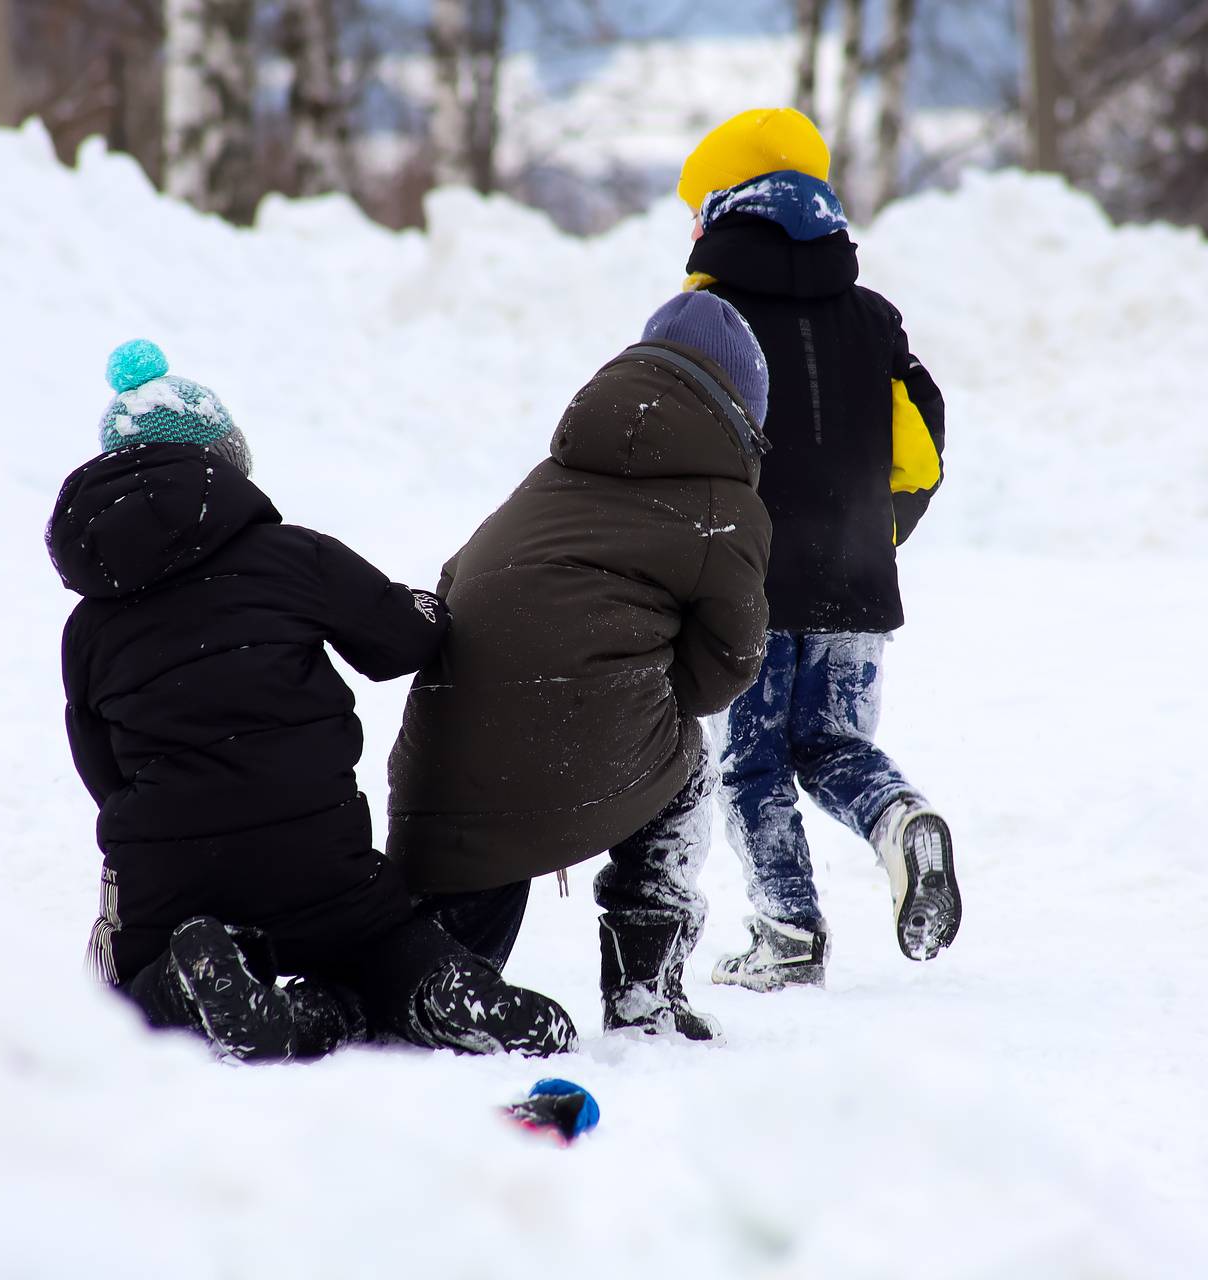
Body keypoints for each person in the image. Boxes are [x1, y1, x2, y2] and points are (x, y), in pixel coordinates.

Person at [47, 339, 577, 1062]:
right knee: (377, 941)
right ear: (223, 465)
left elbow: (100, 771)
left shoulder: (89, 626)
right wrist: (430, 605)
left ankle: (185, 977)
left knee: (120, 994)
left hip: (174, 880)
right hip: (316, 862)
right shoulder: (293, 557)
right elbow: (402, 643)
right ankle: (438, 984)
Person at [387, 293, 772, 1042]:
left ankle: (419, 984)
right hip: (573, 753)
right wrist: (639, 686)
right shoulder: (726, 509)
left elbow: (456, 580)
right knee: (690, 758)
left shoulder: (550, 477)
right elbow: (725, 668)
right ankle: (643, 994)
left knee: (437, 974)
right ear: (744, 416)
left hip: (441, 761)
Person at [675, 108, 962, 989]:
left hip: (747, 583)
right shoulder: (872, 318)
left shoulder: (705, 319)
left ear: (725, 211)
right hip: (857, 583)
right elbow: (919, 450)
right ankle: (900, 819)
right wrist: (872, 544)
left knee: (751, 759)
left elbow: (671, 447)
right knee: (835, 745)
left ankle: (788, 931)